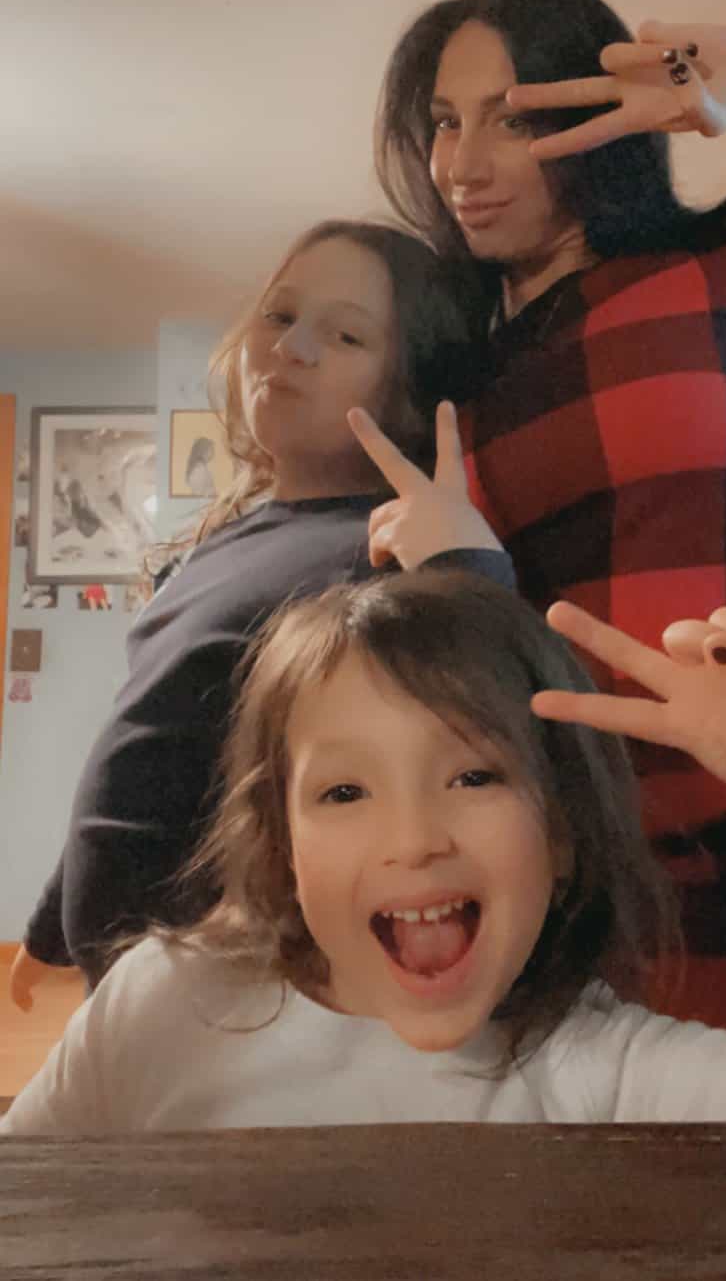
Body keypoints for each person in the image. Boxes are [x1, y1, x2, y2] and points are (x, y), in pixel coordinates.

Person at [375, 0, 726, 1038]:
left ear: (595, 118)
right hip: (543, 893)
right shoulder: (448, 388)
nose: (460, 166)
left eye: (516, 117)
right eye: (444, 123)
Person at [3, 569, 726, 1134]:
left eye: (475, 777)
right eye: (344, 792)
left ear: (561, 836)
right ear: (283, 849)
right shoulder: (165, 1008)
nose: (414, 841)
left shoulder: (598, 1073)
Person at [8, 218, 507, 1002]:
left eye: (345, 337)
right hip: (137, 991)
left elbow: (485, 724)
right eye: (280, 316)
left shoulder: (376, 553)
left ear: (410, 389)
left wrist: (462, 571)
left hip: (247, 996)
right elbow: (151, 747)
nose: (292, 347)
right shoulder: (226, 540)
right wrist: (50, 926)